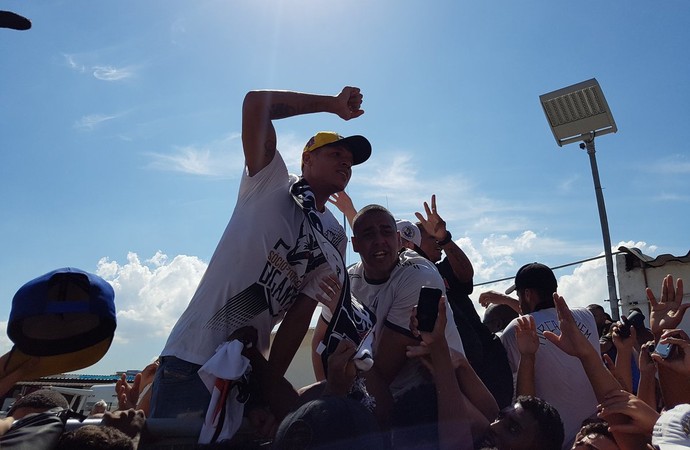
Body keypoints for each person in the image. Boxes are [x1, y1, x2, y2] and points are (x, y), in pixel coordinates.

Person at [150, 86, 371, 420]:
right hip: (191, 360)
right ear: (307, 158)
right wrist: (332, 105)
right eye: (334, 153)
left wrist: (264, 392)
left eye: (350, 160)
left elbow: (298, 318)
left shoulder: (334, 236)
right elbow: (256, 103)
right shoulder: (271, 180)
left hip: (245, 376)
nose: (345, 161)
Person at [343, 204, 474, 429]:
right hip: (390, 396)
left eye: (386, 233)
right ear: (355, 244)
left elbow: (382, 370)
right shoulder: (349, 279)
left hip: (433, 402)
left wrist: (341, 370)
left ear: (398, 240)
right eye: (368, 235)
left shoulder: (420, 275)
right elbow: (324, 344)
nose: (379, 241)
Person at [498, 262, 599, 449]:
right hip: (595, 436)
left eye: (519, 295)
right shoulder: (587, 316)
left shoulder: (515, 330)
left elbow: (523, 401)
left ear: (527, 294)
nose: (519, 302)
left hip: (553, 442)